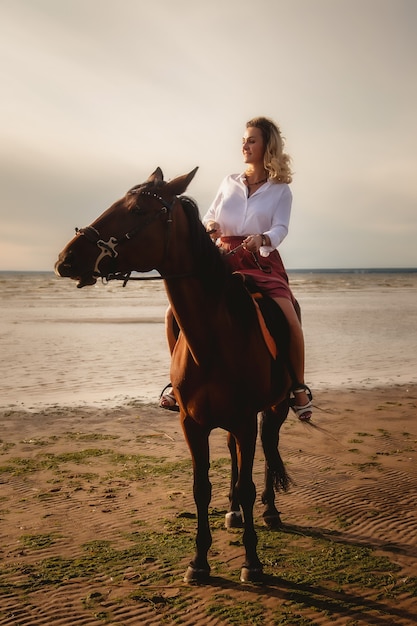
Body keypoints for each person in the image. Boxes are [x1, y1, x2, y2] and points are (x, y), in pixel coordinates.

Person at [160, 116, 312, 421]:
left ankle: (297, 387)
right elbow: (210, 216)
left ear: (267, 146)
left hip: (260, 261)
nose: (245, 144)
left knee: (290, 319)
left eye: (252, 140)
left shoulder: (281, 190)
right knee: (173, 312)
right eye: (244, 139)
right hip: (222, 259)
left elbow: (281, 227)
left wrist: (264, 238)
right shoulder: (229, 181)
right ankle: (179, 383)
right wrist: (211, 226)